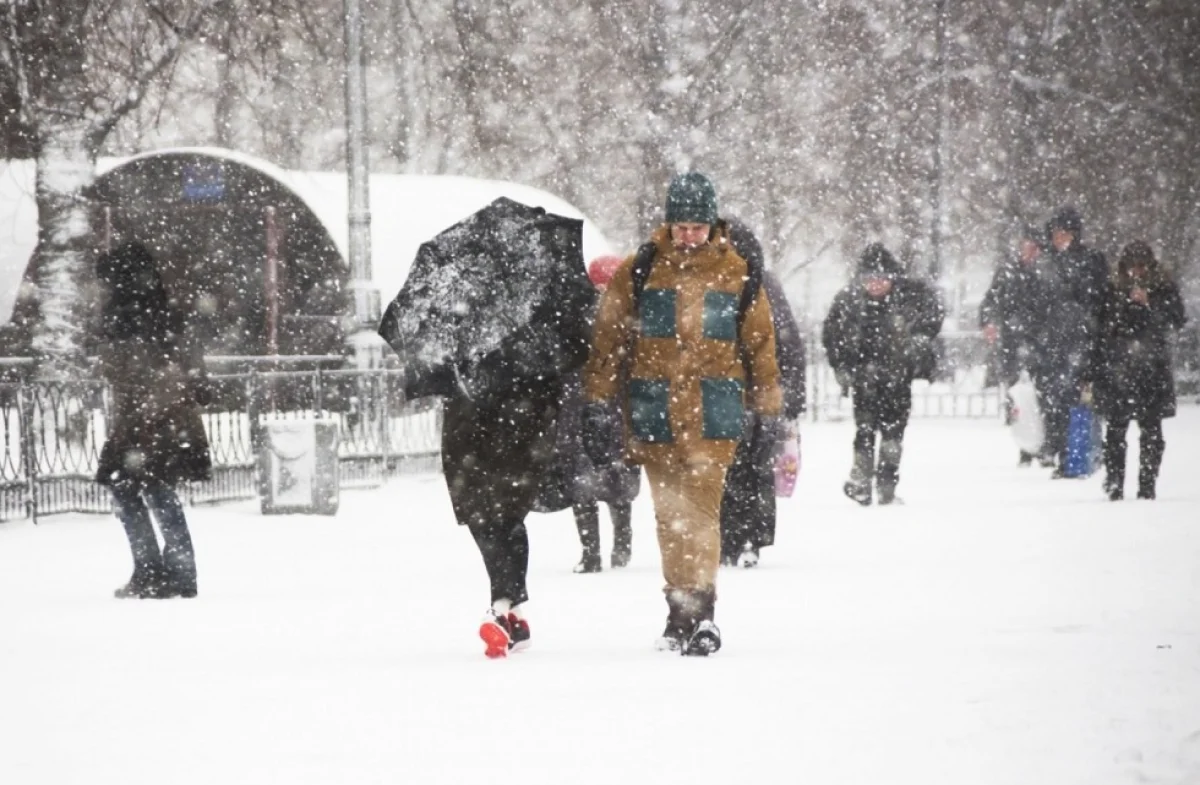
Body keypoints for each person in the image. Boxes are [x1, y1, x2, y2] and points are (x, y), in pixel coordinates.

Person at [582, 172, 782, 655]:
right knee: (669, 518)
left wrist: (766, 410)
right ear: (668, 224)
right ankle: (677, 615)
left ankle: (704, 615)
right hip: (654, 410)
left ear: (712, 224)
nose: (688, 235)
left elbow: (760, 345)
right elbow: (609, 342)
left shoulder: (738, 273)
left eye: (696, 226)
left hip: (715, 412)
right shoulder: (641, 270)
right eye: (680, 226)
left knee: (703, 515)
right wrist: (596, 401)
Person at [93, 241, 212, 599]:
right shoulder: (166, 311)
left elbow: (129, 373)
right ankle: (177, 572)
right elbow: (197, 379)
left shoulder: (124, 318)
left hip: (143, 418)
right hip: (169, 417)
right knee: (156, 490)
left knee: (134, 488)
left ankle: (152, 571)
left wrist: (144, 407)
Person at [822, 243, 945, 505]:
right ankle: (861, 482)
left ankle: (886, 485)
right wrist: (842, 368)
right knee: (864, 431)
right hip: (864, 381)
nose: (876, 284)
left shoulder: (909, 297)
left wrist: (918, 345)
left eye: (882, 278)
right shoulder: (850, 303)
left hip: (897, 380)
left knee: (893, 434)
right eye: (870, 278)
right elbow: (833, 337)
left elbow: (933, 316)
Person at [719, 218, 806, 568]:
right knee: (730, 469)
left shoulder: (763, 286)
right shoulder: (709, 286)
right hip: (726, 392)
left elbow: (787, 344)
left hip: (757, 393)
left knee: (752, 467)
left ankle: (748, 538)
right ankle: (733, 538)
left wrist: (790, 395)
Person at [558, 256, 640, 574]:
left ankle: (592, 552)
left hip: (583, 407)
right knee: (615, 481)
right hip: (608, 408)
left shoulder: (573, 315)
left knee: (585, 481)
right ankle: (620, 545)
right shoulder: (631, 316)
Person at [1094, 241, 1187, 500]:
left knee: (1152, 432)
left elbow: (1176, 318)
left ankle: (1147, 483)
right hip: (1120, 367)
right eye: (1132, 267)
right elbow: (1103, 324)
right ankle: (1115, 482)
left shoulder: (1163, 286)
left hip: (1151, 368)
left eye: (1141, 267)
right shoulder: (1112, 288)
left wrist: (1151, 305)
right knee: (1115, 431)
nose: (1137, 273)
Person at [1039, 205, 1109, 477]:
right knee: (1057, 401)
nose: (1059, 239)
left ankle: (1076, 454)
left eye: (1063, 233)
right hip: (1056, 342)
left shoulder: (1089, 261)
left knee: (1076, 399)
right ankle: (1065, 454)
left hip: (1079, 341)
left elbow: (1095, 298)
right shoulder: (1050, 263)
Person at [979, 224, 1049, 466]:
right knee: (1018, 398)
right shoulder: (1009, 272)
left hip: (1042, 343)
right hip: (1015, 342)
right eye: (1026, 246)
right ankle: (1026, 446)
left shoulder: (1048, 273)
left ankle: (1045, 445)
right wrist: (989, 321)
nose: (1029, 252)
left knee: (1043, 396)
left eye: (1034, 247)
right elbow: (991, 299)